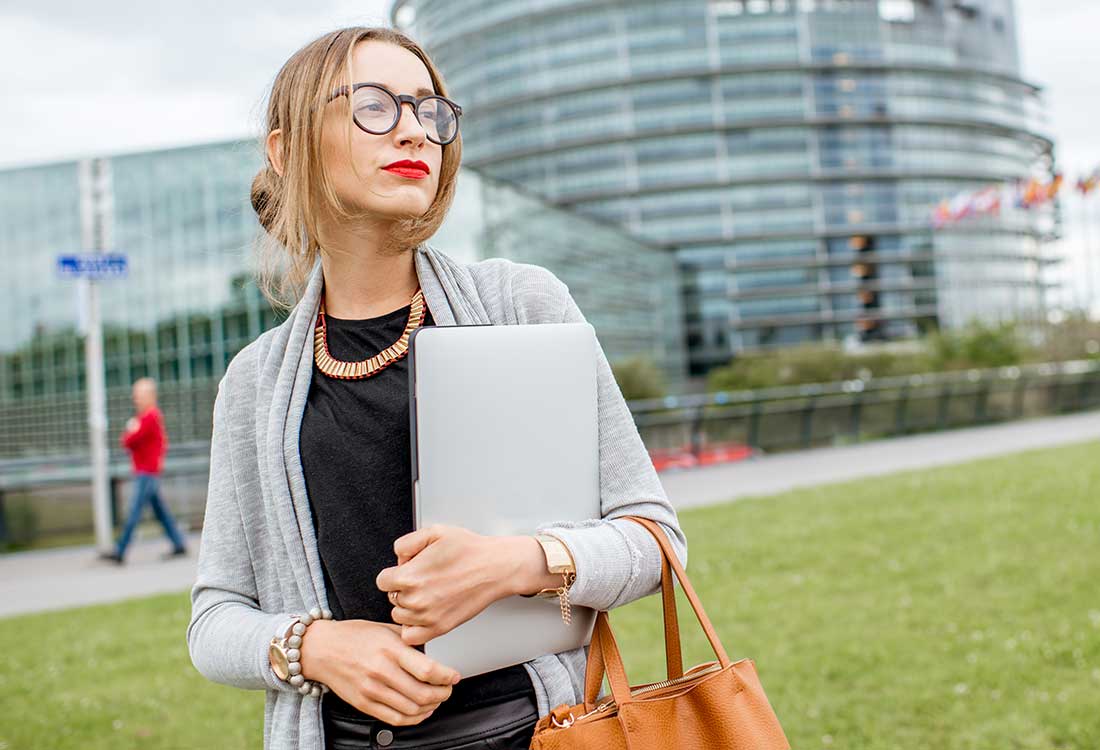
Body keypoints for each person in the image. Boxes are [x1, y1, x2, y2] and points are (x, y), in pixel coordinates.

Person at [186, 26, 688, 750]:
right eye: (375, 107)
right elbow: (214, 622)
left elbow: (656, 541)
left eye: (430, 110)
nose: (416, 131)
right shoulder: (253, 383)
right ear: (286, 150)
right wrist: (316, 648)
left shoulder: (521, 304)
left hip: (530, 732)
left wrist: (514, 564)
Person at [100, 376, 188, 564]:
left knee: (134, 512)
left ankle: (120, 550)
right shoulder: (148, 418)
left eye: (138, 395)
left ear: (149, 396)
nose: (135, 399)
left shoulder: (149, 417)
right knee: (160, 512)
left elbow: (128, 441)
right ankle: (179, 544)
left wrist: (131, 431)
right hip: (147, 472)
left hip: (146, 473)